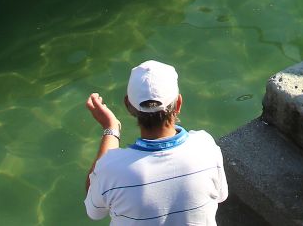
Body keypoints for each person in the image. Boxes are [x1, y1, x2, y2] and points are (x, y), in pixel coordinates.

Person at [84, 60, 227, 224]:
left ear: (128, 105)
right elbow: (221, 196)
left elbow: (94, 211)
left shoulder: (111, 168)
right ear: (178, 103)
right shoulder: (205, 147)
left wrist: (111, 128)